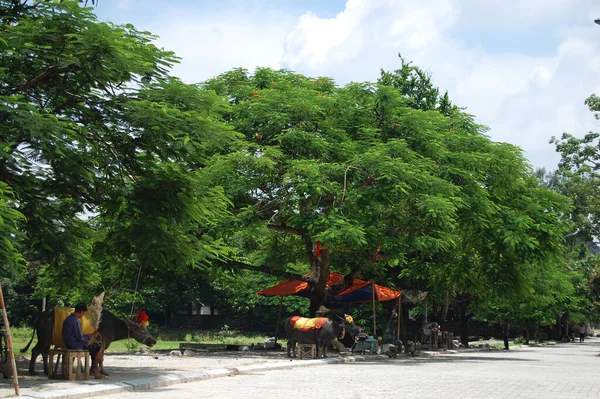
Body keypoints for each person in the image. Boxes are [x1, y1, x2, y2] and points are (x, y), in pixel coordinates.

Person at [62, 303, 106, 379]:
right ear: (81, 312)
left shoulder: (67, 319)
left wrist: (89, 335)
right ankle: (95, 371)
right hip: (76, 345)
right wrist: (91, 336)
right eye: (83, 313)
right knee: (99, 348)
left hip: (68, 343)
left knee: (94, 346)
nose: (83, 315)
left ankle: (94, 370)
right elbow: (80, 338)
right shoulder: (75, 321)